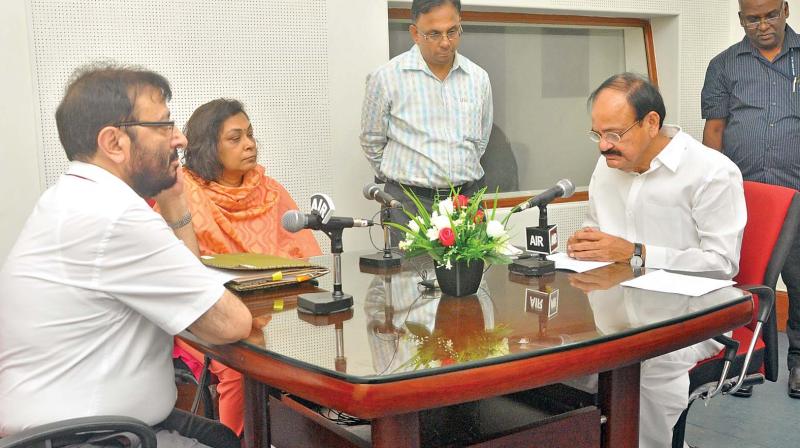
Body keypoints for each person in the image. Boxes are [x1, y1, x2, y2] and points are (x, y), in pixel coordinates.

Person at [0, 65, 252, 448]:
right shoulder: (113, 215)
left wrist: (174, 203)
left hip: (70, 430)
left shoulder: (73, 197)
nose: (180, 139)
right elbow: (229, 324)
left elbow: (192, 299)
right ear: (114, 142)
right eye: (164, 125)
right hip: (90, 438)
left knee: (220, 437)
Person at [567, 73, 746, 448]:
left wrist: (636, 252)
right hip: (620, 305)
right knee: (562, 355)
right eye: (597, 134)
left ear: (651, 123)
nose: (603, 146)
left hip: (694, 315)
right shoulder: (608, 166)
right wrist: (586, 245)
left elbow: (721, 263)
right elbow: (599, 232)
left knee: (649, 364)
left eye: (614, 134)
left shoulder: (711, 172)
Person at [168, 98, 321, 436]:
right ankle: (239, 440)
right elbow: (172, 273)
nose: (250, 144)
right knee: (240, 367)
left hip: (277, 307)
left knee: (318, 349)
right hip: (208, 315)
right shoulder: (182, 193)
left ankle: (300, 436)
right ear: (210, 147)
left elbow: (302, 257)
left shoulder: (269, 190)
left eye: (250, 135)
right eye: (235, 138)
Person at [701, 0, 800, 398]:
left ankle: (798, 365)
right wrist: (713, 194)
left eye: (770, 16)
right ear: (741, 19)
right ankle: (742, 360)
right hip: (743, 199)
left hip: (797, 196)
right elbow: (715, 131)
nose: (762, 26)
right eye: (752, 19)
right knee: (742, 283)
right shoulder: (724, 65)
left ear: (786, 11)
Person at [360, 0, 492, 241]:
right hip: (409, 205)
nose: (445, 42)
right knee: (408, 278)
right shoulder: (386, 78)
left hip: (466, 201)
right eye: (433, 33)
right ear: (415, 34)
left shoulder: (478, 78)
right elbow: (372, 141)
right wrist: (403, 181)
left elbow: (481, 141)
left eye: (452, 31)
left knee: (473, 278)